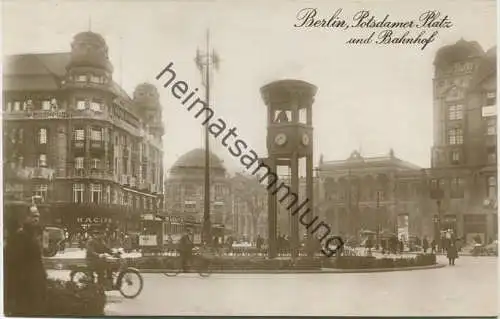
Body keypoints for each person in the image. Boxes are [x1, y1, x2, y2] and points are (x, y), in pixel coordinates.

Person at [4, 206, 47, 316]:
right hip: (24, 285)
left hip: (35, 284)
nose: (36, 219)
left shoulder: (34, 234)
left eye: (38, 216)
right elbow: (13, 262)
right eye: (33, 216)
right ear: (25, 217)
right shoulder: (20, 236)